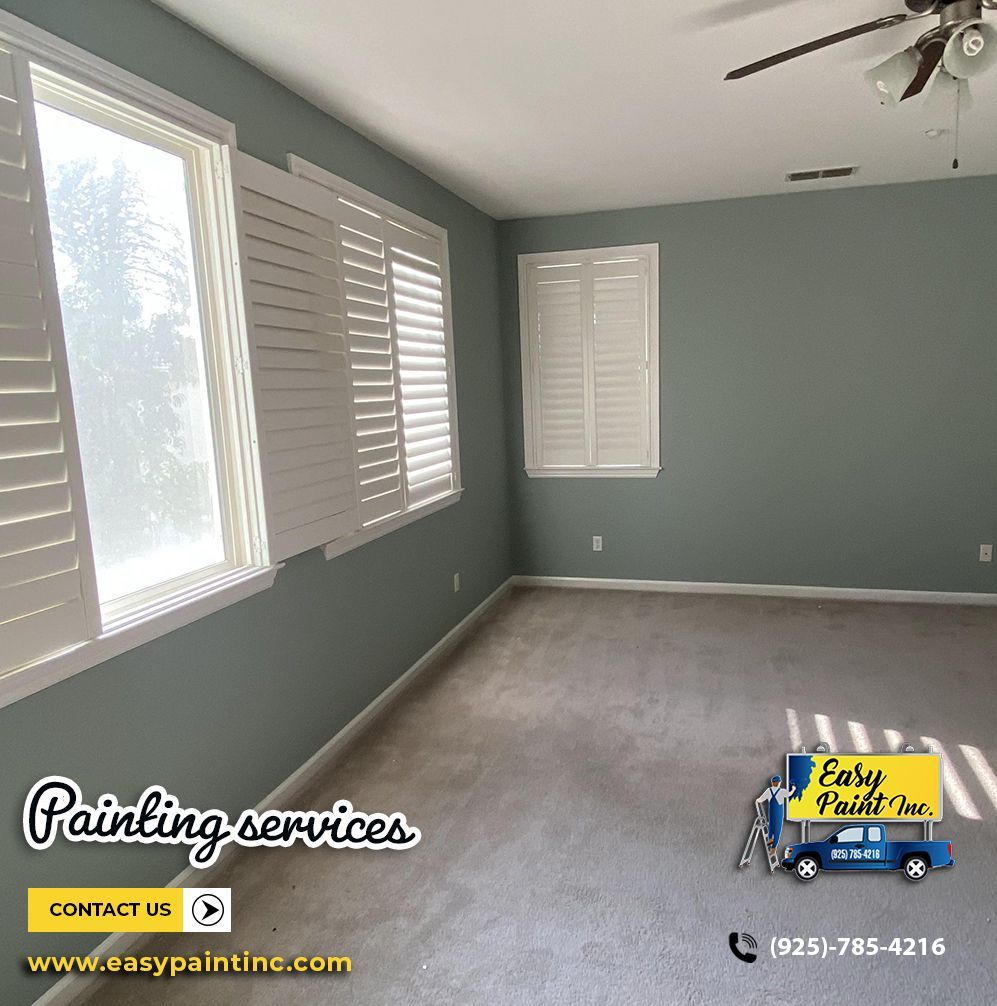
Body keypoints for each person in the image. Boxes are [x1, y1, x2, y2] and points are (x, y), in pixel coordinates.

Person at [757, 775, 796, 851]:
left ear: (772, 783)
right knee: (777, 830)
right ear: (779, 783)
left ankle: (769, 845)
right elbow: (789, 794)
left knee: (771, 829)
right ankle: (774, 847)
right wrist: (793, 789)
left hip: (771, 813)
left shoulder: (768, 791)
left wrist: (757, 800)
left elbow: (760, 799)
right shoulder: (782, 791)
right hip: (779, 814)